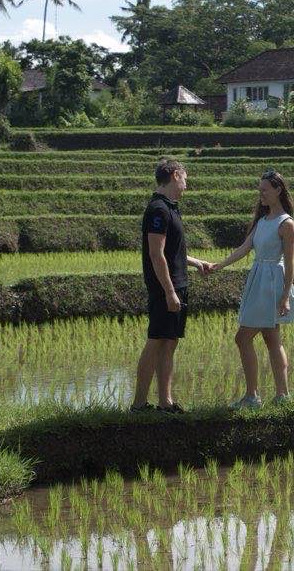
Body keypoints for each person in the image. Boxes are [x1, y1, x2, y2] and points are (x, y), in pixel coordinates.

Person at [208, 169, 294, 409]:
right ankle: (281, 396)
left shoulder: (286, 224)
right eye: (260, 191)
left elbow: (290, 263)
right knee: (271, 338)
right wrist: (219, 265)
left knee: (243, 337)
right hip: (258, 279)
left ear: (278, 190)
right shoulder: (262, 221)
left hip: (272, 284)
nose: (261, 195)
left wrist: (285, 296)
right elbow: (244, 248)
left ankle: (253, 396)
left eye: (265, 190)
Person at [129, 159, 212, 413]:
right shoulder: (158, 210)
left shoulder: (171, 208)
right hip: (166, 288)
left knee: (170, 342)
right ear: (176, 175)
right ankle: (139, 404)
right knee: (156, 341)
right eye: (185, 179)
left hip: (177, 284)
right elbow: (156, 254)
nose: (186, 185)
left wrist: (196, 262)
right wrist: (169, 292)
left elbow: (172, 251)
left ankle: (166, 402)